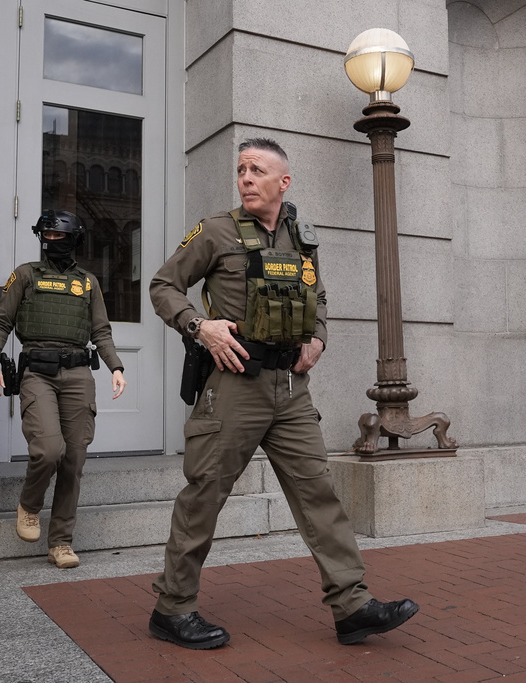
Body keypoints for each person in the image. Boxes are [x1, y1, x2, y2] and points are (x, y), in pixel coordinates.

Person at [147, 138, 419, 649]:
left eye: (257, 170)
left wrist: (318, 338)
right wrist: (199, 327)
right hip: (234, 384)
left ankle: (352, 605)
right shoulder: (215, 230)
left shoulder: (303, 237)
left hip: (291, 389)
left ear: (283, 182)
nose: (246, 178)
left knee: (319, 492)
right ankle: (172, 607)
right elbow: (163, 286)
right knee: (204, 494)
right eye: (242, 169)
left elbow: (318, 297)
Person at [0, 210, 126, 569]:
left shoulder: (87, 282)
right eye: (47, 236)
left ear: (75, 240)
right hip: (38, 373)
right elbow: (1, 320)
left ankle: (61, 542)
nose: (52, 243)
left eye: (61, 237)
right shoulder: (26, 275)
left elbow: (101, 331)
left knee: (74, 459)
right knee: (49, 450)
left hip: (78, 374)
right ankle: (29, 506)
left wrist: (116, 367)